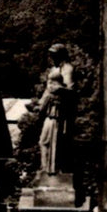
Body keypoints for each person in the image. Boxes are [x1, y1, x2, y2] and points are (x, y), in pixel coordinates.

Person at [34, 44, 74, 175]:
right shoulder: (54, 69)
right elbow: (47, 90)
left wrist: (58, 89)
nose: (51, 57)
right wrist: (39, 104)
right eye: (51, 55)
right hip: (50, 110)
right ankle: (46, 169)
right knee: (44, 141)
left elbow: (70, 89)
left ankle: (53, 171)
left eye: (54, 55)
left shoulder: (67, 69)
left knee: (54, 141)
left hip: (59, 111)